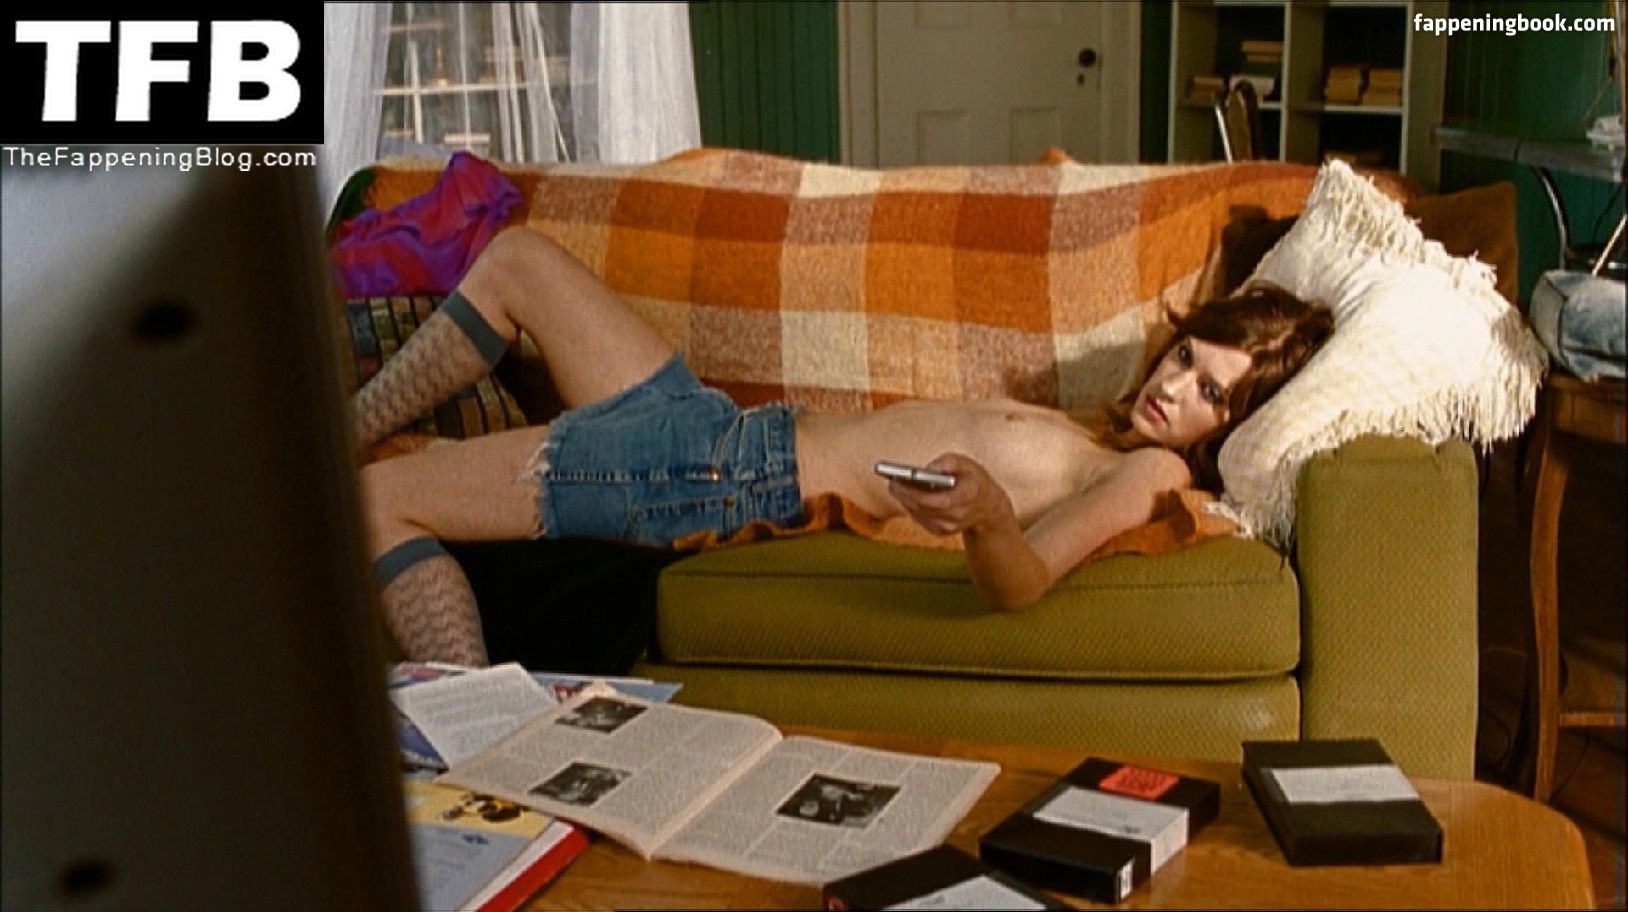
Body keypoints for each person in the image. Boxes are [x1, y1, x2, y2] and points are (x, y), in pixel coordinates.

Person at [357, 228, 1334, 666]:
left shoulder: (1149, 472)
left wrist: (989, 515)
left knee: (371, 499)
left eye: (1210, 394)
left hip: (719, 475)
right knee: (519, 259)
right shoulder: (1096, 425)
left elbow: (1024, 581)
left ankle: (476, 730)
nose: (1173, 386)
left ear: (1230, 430)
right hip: (717, 426)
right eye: (1183, 357)